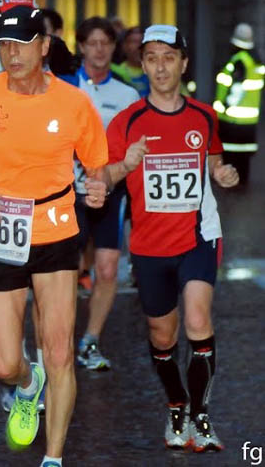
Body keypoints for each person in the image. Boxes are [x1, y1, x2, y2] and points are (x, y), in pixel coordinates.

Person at [0, 5, 108, 467]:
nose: (12, 54)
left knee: (59, 351)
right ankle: (28, 384)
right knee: (2, 363)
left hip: (56, 228)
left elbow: (97, 164)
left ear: (45, 46)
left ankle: (54, 457)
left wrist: (98, 184)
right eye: (5, 45)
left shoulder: (73, 102)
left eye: (22, 44)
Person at [99, 24, 238, 452]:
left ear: (183, 63)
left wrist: (221, 172)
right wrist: (125, 165)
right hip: (148, 244)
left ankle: (201, 415)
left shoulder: (204, 116)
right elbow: (103, 177)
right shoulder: (126, 122)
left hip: (199, 235)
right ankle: (177, 404)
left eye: (169, 58)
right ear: (143, 65)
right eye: (152, 58)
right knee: (163, 336)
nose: (161, 67)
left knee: (197, 321)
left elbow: (212, 158)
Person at [66, 17, 140, 371]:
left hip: (111, 192)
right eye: (92, 43)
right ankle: (59, 342)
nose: (99, 50)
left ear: (114, 47)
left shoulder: (127, 95)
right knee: (66, 272)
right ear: (81, 46)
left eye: (106, 43)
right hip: (68, 194)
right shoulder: (64, 88)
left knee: (108, 270)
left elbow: (133, 150)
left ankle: (90, 341)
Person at [213, 22, 263, 185]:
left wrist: (225, 107)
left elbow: (236, 89)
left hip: (233, 121)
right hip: (249, 121)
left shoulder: (239, 61)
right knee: (244, 160)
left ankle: (233, 188)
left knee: (231, 159)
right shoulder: (255, 61)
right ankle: (241, 186)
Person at [112, 26, 150, 96]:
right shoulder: (115, 72)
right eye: (134, 42)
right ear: (124, 46)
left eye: (142, 41)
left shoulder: (154, 72)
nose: (138, 46)